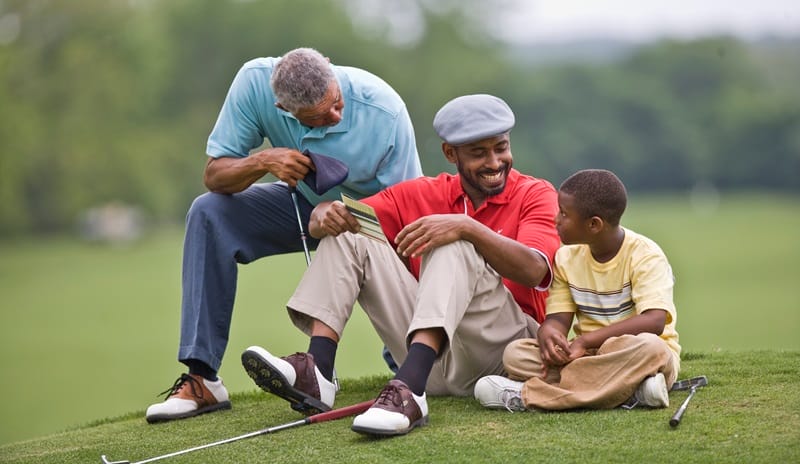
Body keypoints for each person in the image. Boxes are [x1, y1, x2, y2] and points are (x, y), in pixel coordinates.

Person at [240, 93, 561, 436]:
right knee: (351, 231)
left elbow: (535, 270)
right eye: (479, 153)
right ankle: (317, 371)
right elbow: (347, 219)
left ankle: (409, 391)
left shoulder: (536, 194)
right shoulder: (421, 192)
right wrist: (322, 215)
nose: (495, 161)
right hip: (437, 365)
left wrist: (467, 227)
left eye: (501, 147)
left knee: (456, 242)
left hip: (504, 357)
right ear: (450, 154)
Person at [145, 47, 422, 423]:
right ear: (283, 109)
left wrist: (342, 214)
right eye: (319, 118)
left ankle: (402, 365)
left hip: (372, 217)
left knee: (386, 253)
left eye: (336, 103)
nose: (336, 115)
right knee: (208, 212)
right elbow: (215, 175)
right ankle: (202, 379)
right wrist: (263, 160)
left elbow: (408, 215)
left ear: (329, 68)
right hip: (300, 202)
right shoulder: (253, 83)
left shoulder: (383, 110)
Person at [474, 169, 681, 412]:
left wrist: (586, 340)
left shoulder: (646, 255)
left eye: (564, 213)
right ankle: (634, 391)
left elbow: (655, 322)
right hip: (588, 356)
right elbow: (557, 320)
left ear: (594, 225)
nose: (556, 219)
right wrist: (549, 335)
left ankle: (528, 396)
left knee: (651, 347)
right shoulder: (566, 258)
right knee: (515, 355)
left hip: (634, 352)